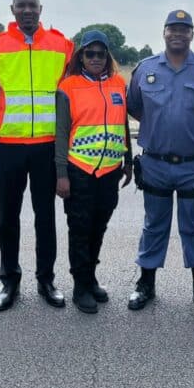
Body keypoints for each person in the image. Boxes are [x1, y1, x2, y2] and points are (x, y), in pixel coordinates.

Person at [0, 0, 74, 311]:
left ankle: (46, 279)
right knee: (8, 217)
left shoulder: (62, 45)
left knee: (45, 216)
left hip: (47, 145)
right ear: (12, 9)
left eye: (32, 5)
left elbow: (70, 96)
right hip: (7, 145)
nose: (27, 11)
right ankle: (10, 280)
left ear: (41, 8)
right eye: (21, 6)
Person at [127, 10, 194, 316]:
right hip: (155, 162)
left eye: (184, 29)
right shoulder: (145, 69)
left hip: (193, 164)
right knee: (154, 225)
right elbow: (136, 108)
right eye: (172, 28)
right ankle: (146, 285)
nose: (178, 33)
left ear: (192, 33)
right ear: (163, 32)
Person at [54, 30, 133, 313]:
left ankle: (91, 277)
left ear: (107, 56)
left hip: (110, 172)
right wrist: (61, 173)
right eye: (90, 53)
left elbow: (122, 125)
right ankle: (80, 286)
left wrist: (129, 162)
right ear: (81, 56)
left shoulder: (118, 84)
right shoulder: (68, 86)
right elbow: (61, 133)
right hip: (79, 170)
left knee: (98, 228)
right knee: (80, 230)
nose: (96, 59)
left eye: (101, 54)